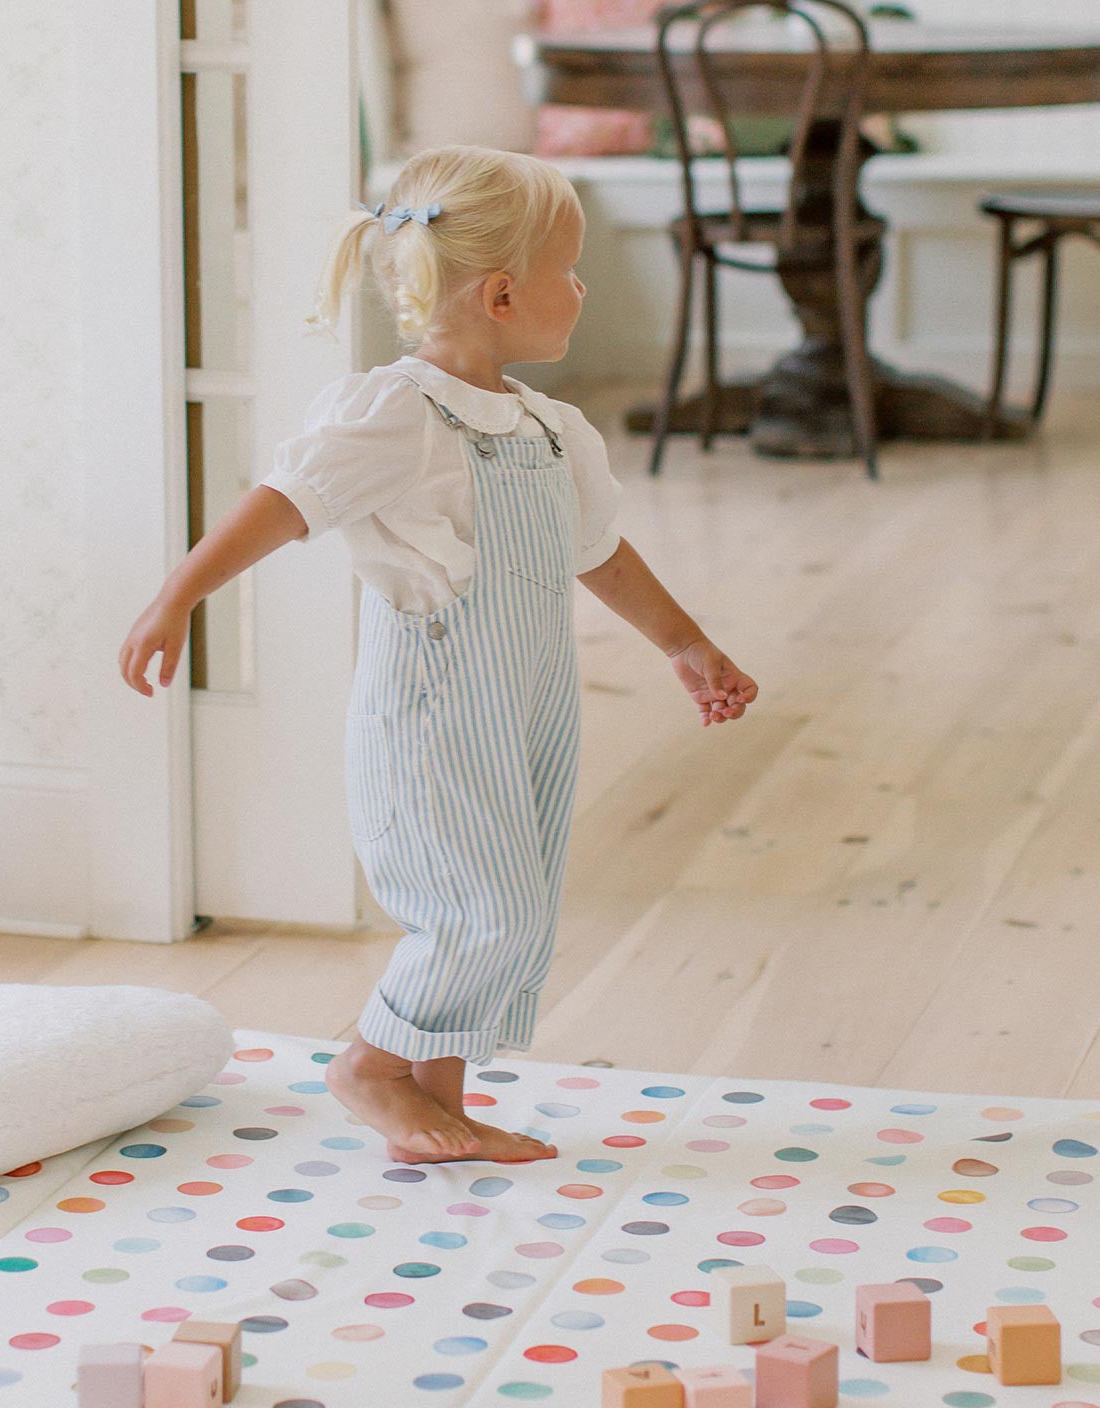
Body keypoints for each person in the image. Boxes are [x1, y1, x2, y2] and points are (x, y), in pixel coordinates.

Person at [119, 145, 757, 1166]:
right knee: (479, 911)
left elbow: (597, 552)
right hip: (432, 714)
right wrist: (177, 595)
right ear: (503, 294)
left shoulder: (551, 432)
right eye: (571, 270)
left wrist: (686, 644)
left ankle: (438, 1100)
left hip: (528, 706)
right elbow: (283, 504)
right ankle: (370, 1067)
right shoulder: (399, 415)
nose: (583, 289)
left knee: (517, 899)